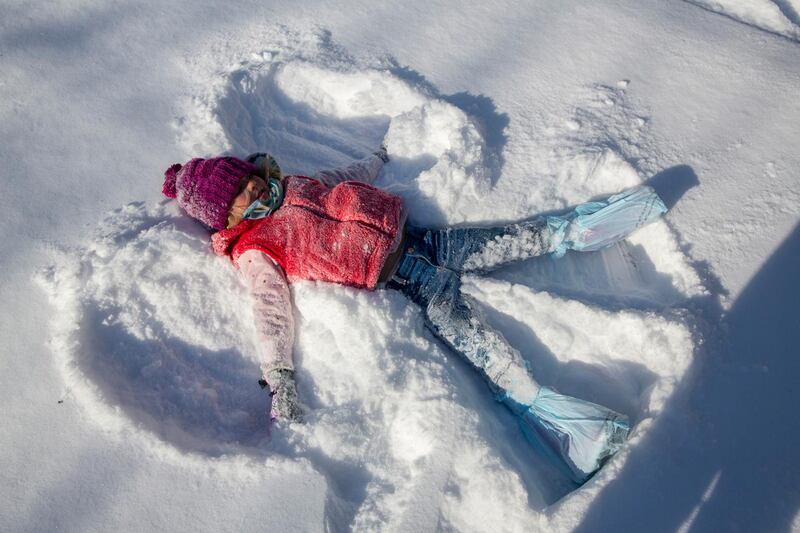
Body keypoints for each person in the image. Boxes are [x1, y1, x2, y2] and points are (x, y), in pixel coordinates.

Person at [161, 146, 667, 483]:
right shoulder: (254, 249)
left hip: (429, 240)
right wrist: (280, 375)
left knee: (519, 236)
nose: (252, 196)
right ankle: (576, 430)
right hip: (412, 281)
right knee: (484, 349)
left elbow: (345, 177)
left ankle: (590, 226)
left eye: (247, 183)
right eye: (237, 202)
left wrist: (375, 160)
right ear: (225, 220)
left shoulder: (293, 182)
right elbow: (269, 308)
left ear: (252, 172)